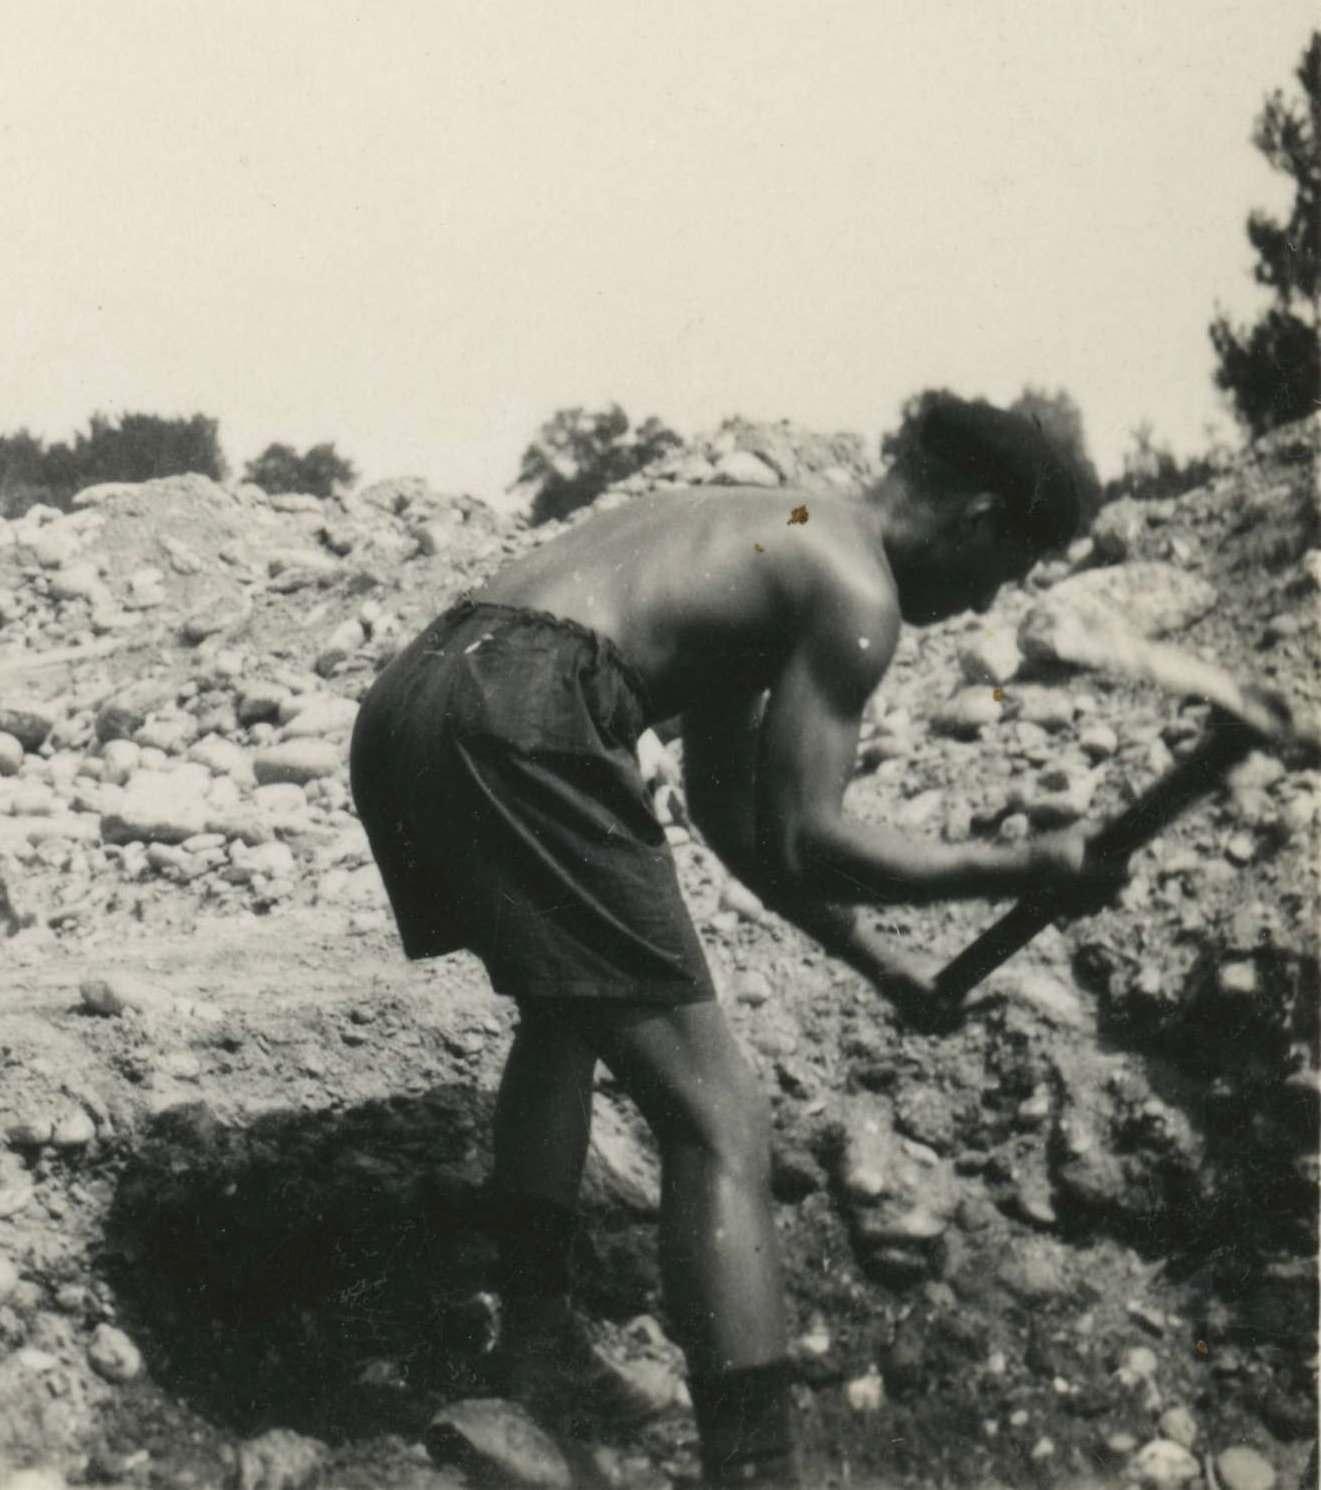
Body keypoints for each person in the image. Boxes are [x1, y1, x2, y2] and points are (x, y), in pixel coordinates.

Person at [350, 393, 1119, 1488]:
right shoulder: (857, 584)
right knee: (720, 1121)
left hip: (415, 696)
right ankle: (755, 1471)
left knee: (566, 1011)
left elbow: (732, 814)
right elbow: (812, 834)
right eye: (1005, 571)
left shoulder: (778, 525)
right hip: (528, 704)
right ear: (981, 517)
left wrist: (883, 963)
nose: (989, 598)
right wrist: (1022, 864)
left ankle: (535, 1343)